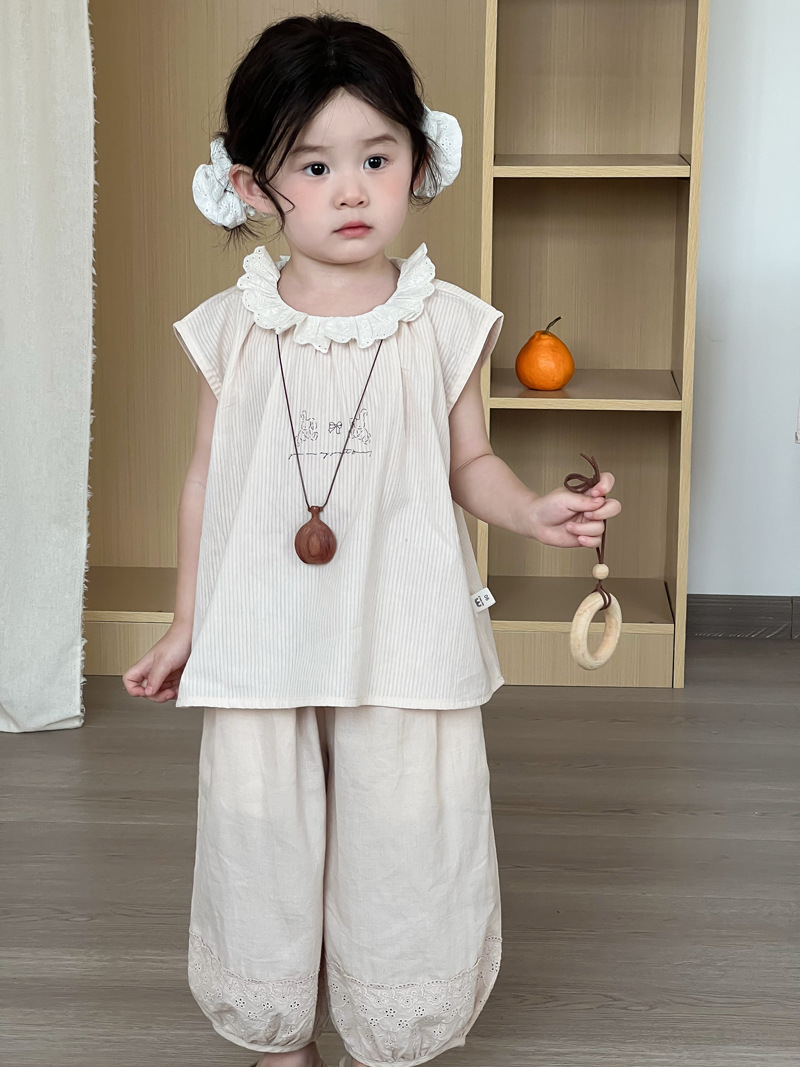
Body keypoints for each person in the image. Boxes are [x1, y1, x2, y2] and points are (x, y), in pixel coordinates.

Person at [123, 12, 621, 1067]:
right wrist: (184, 621)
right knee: (261, 828)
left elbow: (467, 463)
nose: (350, 190)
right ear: (254, 186)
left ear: (418, 163)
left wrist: (532, 511)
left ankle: (392, 1028)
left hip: (401, 627)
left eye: (376, 158)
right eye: (315, 165)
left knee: (404, 829)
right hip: (263, 632)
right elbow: (208, 476)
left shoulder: (445, 322)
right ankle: (277, 1034)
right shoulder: (233, 326)